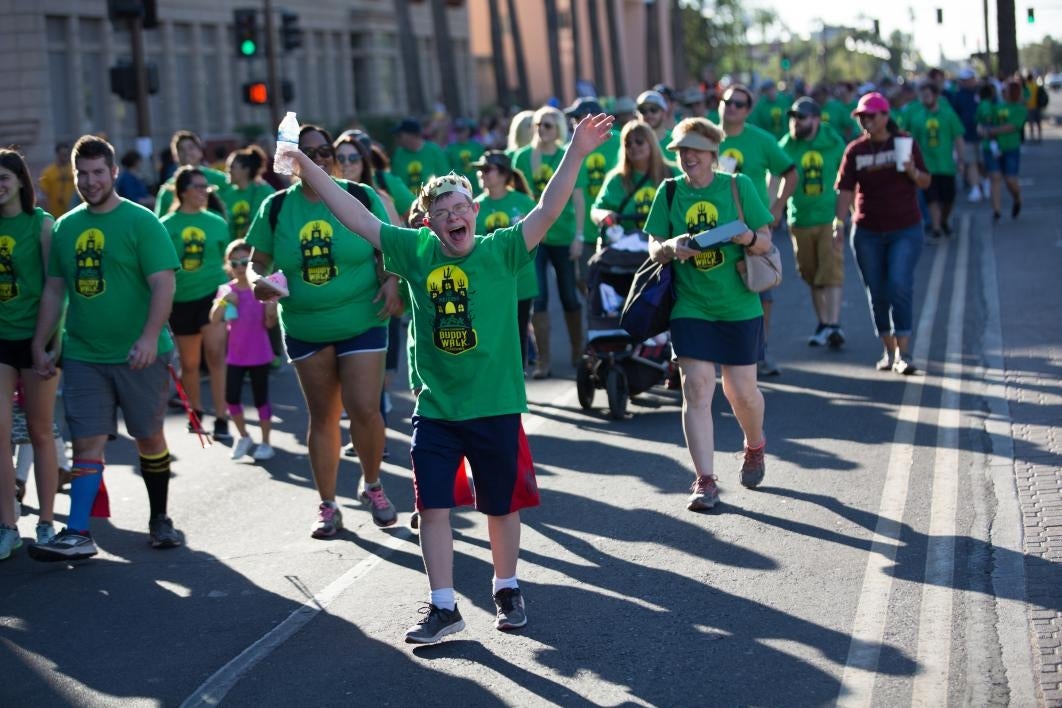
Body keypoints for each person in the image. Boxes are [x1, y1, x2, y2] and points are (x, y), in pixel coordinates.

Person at [280, 108, 614, 645]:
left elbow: (550, 209)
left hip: (496, 404)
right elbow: (354, 216)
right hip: (436, 407)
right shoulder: (414, 252)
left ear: (475, 213)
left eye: (462, 208)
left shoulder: (502, 249)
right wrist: (304, 166)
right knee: (432, 506)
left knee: (500, 506)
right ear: (429, 222)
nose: (454, 216)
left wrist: (575, 150)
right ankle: (443, 607)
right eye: (443, 211)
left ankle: (506, 587)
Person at [29, 135, 183, 561]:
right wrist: (41, 343)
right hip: (83, 353)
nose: (90, 181)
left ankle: (159, 518)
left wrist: (150, 338)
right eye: (83, 173)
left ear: (114, 173)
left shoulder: (141, 221)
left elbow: (163, 283)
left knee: (148, 437)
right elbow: (55, 291)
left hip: (140, 354)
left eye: (99, 172)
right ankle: (78, 531)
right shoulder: (66, 227)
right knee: (86, 443)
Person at [245, 124, 401, 536]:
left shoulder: (361, 196)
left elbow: (387, 245)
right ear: (290, 160)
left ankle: (373, 484)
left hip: (362, 318)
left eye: (325, 150)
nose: (318, 157)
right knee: (323, 416)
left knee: (366, 409)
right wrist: (256, 281)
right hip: (304, 324)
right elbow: (255, 261)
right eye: (306, 151)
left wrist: (390, 280)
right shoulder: (277, 207)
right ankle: (328, 504)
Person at [643, 118, 774, 511]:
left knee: (742, 393)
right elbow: (652, 247)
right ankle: (705, 480)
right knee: (697, 386)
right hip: (691, 305)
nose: (688, 158)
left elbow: (766, 239)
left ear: (713, 154)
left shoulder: (738, 186)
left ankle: (754, 445)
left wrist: (746, 237)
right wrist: (669, 246)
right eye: (682, 151)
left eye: (696, 150)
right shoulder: (668, 192)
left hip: (738, 304)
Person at [835, 92, 930, 376]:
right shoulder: (855, 150)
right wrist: (837, 225)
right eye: (862, 117)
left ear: (885, 116)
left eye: (871, 116)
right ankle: (889, 350)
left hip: (905, 228)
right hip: (867, 232)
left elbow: (926, 181)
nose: (866, 121)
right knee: (877, 292)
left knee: (899, 284)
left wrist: (912, 170)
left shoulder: (905, 142)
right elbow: (845, 191)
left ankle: (904, 352)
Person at [0, 149, 60, 559]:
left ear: (21, 180)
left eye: (4, 177)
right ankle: (8, 524)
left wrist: (48, 341)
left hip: (38, 338)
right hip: (1, 339)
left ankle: (46, 522)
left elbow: (56, 287)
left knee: (40, 432)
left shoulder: (42, 225)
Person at [718, 83, 797, 377]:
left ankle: (759, 351)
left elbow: (790, 173)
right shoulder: (707, 138)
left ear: (748, 110)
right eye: (728, 101)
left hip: (752, 227)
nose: (732, 107)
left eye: (739, 103)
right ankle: (721, 352)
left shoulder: (761, 140)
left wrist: (776, 209)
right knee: (717, 290)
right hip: (713, 227)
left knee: (760, 287)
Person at [513, 106, 588, 378]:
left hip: (564, 235)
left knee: (569, 294)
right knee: (539, 297)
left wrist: (579, 236)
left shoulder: (566, 155)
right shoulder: (522, 157)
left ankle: (579, 350)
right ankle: (543, 361)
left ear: (558, 127)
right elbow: (516, 194)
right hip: (534, 237)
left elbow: (578, 199)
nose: (542, 129)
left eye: (547, 125)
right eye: (538, 124)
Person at [160, 166, 231, 441]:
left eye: (206, 187)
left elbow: (227, 263)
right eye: (199, 187)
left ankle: (222, 416)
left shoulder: (217, 221)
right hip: (181, 300)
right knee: (189, 363)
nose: (205, 192)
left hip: (212, 296)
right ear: (184, 191)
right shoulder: (166, 225)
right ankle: (197, 412)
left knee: (215, 354)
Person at [778, 98, 848, 348]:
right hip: (799, 220)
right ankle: (824, 324)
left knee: (831, 272)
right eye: (793, 117)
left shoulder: (832, 141)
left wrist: (844, 213)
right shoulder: (786, 144)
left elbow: (848, 175)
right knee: (810, 273)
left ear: (816, 119)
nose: (796, 122)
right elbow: (774, 177)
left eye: (802, 117)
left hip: (829, 218)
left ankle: (834, 324)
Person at [472, 150, 538, 371]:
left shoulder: (523, 202)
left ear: (502, 174)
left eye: (486, 170)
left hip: (520, 279)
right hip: (488, 282)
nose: (482, 175)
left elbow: (541, 235)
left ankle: (517, 383)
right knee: (492, 333)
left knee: (518, 332)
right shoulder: (473, 206)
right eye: (480, 171)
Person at [211, 240, 277, 460]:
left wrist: (271, 309)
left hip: (259, 354)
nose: (240, 266)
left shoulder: (261, 289)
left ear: (251, 264)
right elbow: (214, 320)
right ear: (229, 265)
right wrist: (222, 302)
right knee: (231, 398)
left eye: (245, 262)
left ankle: (266, 442)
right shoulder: (226, 289)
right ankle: (244, 436)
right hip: (236, 356)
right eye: (235, 262)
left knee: (261, 400)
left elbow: (269, 324)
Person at [566, 97, 622, 293]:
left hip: (620, 225)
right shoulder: (575, 147)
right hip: (590, 231)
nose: (573, 124)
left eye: (577, 118)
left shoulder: (620, 140)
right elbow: (578, 195)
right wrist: (579, 236)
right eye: (572, 120)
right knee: (587, 282)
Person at [591, 120, 675, 235]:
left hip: (666, 244)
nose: (633, 146)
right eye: (628, 143)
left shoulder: (673, 173)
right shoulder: (616, 178)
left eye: (639, 142)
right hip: (626, 245)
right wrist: (604, 215)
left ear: (651, 143)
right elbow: (595, 211)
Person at [905, 83, 965, 239]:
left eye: (928, 95)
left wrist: (961, 160)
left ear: (936, 96)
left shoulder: (948, 115)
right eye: (923, 96)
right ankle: (936, 227)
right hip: (927, 166)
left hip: (946, 165)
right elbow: (912, 142)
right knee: (932, 199)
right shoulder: (918, 118)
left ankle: (943, 220)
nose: (925, 99)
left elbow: (958, 137)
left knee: (948, 199)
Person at [155, 131, 230, 217]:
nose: (186, 152)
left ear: (200, 152)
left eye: (191, 148)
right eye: (181, 149)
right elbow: (160, 222)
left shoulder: (221, 179)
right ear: (175, 156)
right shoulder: (168, 188)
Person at [981, 80, 1027, 221]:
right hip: (993, 148)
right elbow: (985, 119)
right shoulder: (996, 106)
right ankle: (997, 210)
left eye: (1006, 90)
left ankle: (1017, 198)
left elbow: (1013, 126)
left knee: (1010, 179)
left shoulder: (1020, 109)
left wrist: (992, 131)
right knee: (995, 177)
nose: (1003, 92)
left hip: (1011, 148)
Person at [221, 146, 275, 242]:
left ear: (246, 169)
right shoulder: (228, 195)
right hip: (235, 251)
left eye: (232, 167)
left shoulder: (264, 192)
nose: (227, 170)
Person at [390, 118, 451, 194]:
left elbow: (445, 178)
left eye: (399, 135)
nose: (397, 138)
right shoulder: (399, 154)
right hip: (408, 204)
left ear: (410, 135)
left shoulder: (434, 151)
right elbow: (396, 184)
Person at [445, 117, 485, 188]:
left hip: (477, 186)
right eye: (458, 131)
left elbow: (483, 165)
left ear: (468, 130)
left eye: (462, 130)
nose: (460, 133)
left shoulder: (477, 146)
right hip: (459, 187)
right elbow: (447, 169)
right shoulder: (450, 149)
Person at [37, 142, 74, 218]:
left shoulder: (74, 170)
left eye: (66, 155)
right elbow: (43, 196)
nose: (65, 157)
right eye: (62, 155)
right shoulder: (47, 172)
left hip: (72, 213)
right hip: (54, 215)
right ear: (57, 154)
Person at [636, 89, 676, 159]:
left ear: (664, 113)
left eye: (653, 109)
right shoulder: (632, 145)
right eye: (643, 111)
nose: (648, 114)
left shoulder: (676, 141)